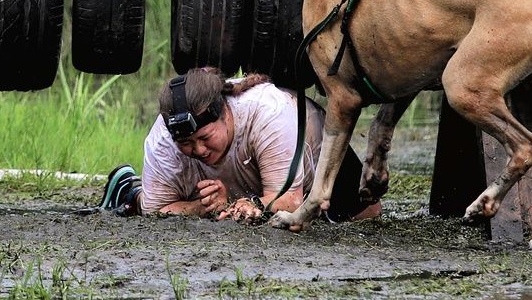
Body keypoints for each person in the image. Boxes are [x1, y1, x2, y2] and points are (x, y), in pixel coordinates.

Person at [98, 67, 381, 223]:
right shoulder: (162, 140)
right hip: (245, 184)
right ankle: (128, 189)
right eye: (186, 143)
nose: (199, 150)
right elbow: (157, 211)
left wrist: (242, 204)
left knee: (369, 216)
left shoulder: (267, 112)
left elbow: (289, 201)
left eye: (205, 138)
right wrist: (203, 208)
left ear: (225, 113)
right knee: (143, 206)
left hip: (313, 154)